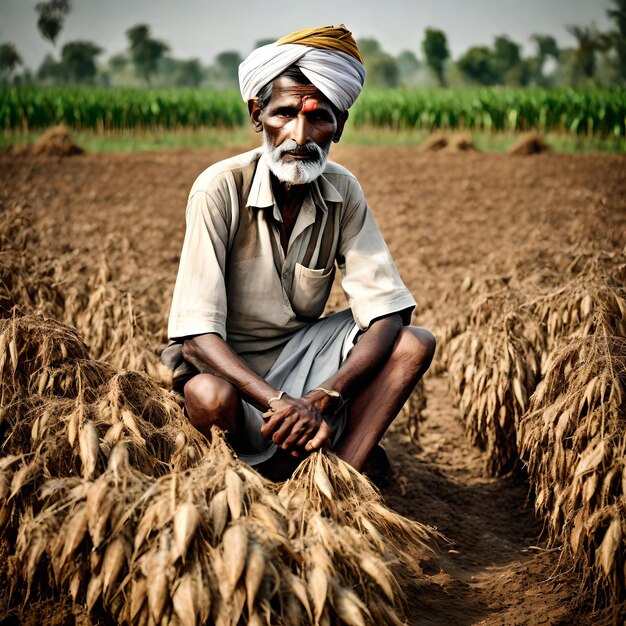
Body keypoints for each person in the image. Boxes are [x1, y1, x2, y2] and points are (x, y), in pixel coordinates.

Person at [163, 25, 435, 481]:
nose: (299, 135)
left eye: (319, 118)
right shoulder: (219, 188)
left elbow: (387, 313)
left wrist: (322, 397)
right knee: (209, 395)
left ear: (341, 125)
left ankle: (341, 482)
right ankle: (240, 481)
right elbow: (194, 338)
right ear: (257, 115)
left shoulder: (342, 191)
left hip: (303, 364)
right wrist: (277, 401)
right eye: (285, 114)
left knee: (413, 342)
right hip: (231, 369)